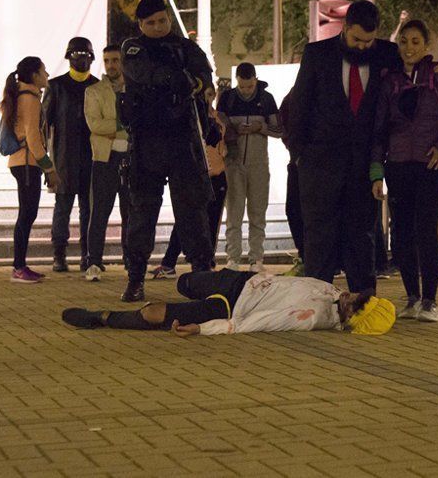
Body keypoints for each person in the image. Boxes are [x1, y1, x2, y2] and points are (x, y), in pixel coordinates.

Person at [286, 0, 438, 294]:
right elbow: (299, 105)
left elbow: (420, 65)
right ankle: (314, 299)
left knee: (361, 234)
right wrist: (299, 154)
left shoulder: (387, 54)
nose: (364, 47)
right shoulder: (317, 54)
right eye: (357, 40)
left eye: (369, 40)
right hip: (320, 163)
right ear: (345, 28)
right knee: (319, 235)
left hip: (364, 164)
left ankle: (363, 299)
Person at [118, 0, 222, 302]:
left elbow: (204, 80)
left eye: (162, 20)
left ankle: (201, 276)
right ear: (140, 24)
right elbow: (144, 73)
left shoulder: (187, 48)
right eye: (151, 23)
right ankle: (135, 278)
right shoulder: (133, 48)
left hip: (183, 139)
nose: (158, 26)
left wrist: (196, 84)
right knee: (142, 214)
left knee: (193, 212)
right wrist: (179, 79)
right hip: (147, 141)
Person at [370, 19, 438, 322]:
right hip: (398, 166)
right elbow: (379, 129)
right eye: (404, 41)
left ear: (426, 45)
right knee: (401, 233)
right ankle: (412, 297)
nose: (409, 48)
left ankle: (431, 301)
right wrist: (377, 170)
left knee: (426, 229)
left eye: (415, 42)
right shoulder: (389, 81)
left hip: (431, 166)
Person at [61, 269, 396, 336]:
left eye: (357, 304)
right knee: (183, 282)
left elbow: (256, 323)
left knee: (154, 314)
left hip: (231, 305)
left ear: (352, 318)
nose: (351, 296)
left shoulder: (310, 317)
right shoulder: (333, 292)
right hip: (240, 278)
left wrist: (206, 328)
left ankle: (101, 318)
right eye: (359, 295)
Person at [150, 86, 228, 279]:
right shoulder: (191, 117)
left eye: (210, 95)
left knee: (211, 220)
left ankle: (206, 262)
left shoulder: (216, 119)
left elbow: (221, 145)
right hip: (196, 176)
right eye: (204, 95)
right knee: (186, 219)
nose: (207, 99)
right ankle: (170, 261)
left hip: (216, 176)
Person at [218, 63, 282, 272]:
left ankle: (256, 258)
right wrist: (233, 129)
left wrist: (260, 128)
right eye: (242, 86)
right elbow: (218, 125)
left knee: (257, 211)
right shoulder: (228, 98)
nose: (246, 90)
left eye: (249, 86)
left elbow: (279, 130)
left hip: (259, 163)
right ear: (237, 81)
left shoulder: (266, 99)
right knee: (233, 212)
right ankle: (233, 258)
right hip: (233, 162)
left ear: (255, 79)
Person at [1, 57, 61, 283]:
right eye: (43, 71)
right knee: (27, 214)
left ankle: (20, 265)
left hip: (23, 162)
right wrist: (50, 169)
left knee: (27, 214)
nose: (47, 75)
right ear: (35, 75)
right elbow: (34, 139)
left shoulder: (22, 96)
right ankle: (18, 267)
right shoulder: (31, 99)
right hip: (26, 162)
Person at [45, 37, 99, 273]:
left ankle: (88, 255)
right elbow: (45, 124)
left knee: (89, 209)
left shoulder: (97, 86)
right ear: (68, 57)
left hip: (92, 156)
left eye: (86, 54)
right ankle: (59, 254)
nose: (82, 58)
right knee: (63, 208)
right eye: (77, 54)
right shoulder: (56, 86)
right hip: (64, 157)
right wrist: (47, 163)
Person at [83, 44, 132, 282]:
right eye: (107, 60)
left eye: (115, 60)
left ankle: (132, 259)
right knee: (100, 211)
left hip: (131, 157)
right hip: (104, 159)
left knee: (130, 211)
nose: (111, 65)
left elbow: (140, 123)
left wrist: (112, 129)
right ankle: (93, 261)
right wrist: (122, 128)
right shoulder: (94, 91)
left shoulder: (134, 88)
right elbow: (94, 125)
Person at [278, 92, 305, 277]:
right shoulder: (293, 97)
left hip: (316, 163)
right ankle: (305, 256)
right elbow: (282, 125)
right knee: (294, 209)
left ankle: (311, 257)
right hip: (297, 161)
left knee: (309, 212)